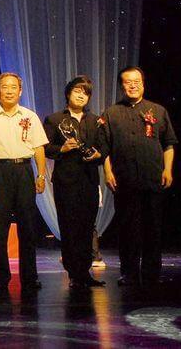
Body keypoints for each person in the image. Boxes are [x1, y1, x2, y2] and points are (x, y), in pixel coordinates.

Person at [101, 66, 177, 287]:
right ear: (121, 86)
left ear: (143, 84)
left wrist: (168, 169)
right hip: (124, 179)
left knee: (153, 228)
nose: (132, 85)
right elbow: (104, 148)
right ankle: (129, 273)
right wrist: (107, 172)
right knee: (127, 228)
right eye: (128, 82)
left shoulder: (158, 110)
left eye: (137, 81)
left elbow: (169, 144)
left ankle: (152, 272)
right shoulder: (111, 113)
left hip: (153, 177)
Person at [0, 72, 48, 292]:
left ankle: (30, 277)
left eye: (13, 87)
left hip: (23, 171)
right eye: (4, 87)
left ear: (20, 91)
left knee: (28, 227)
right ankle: (1, 277)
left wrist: (41, 175)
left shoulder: (30, 116)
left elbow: (39, 148)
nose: (9, 91)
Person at [43, 76, 106, 289]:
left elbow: (104, 148)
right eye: (77, 91)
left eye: (85, 93)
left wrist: (98, 154)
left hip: (89, 180)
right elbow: (44, 148)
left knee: (87, 227)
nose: (81, 95)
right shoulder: (54, 119)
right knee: (69, 226)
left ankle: (85, 272)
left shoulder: (96, 120)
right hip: (66, 181)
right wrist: (61, 149)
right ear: (68, 93)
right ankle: (74, 273)